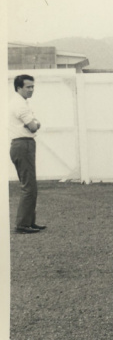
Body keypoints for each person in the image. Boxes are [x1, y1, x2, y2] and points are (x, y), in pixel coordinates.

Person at [9, 75, 45, 234]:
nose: (31, 90)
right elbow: (33, 126)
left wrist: (34, 123)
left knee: (31, 185)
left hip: (24, 144)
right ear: (19, 88)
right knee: (29, 186)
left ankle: (29, 221)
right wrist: (35, 123)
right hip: (23, 144)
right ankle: (23, 224)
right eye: (28, 87)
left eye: (32, 87)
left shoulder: (21, 103)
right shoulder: (20, 105)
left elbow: (33, 124)